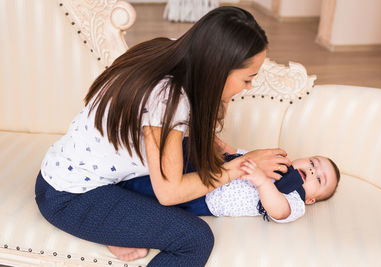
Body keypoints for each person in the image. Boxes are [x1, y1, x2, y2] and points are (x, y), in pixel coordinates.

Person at [34, 6, 292, 266]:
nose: (249, 88)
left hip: (75, 172)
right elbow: (169, 194)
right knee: (196, 239)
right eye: (247, 79)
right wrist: (237, 167)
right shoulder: (168, 100)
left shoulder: (170, 51)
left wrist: (225, 154)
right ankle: (112, 227)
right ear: (217, 69)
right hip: (69, 196)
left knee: (199, 157)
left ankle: (118, 230)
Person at [122, 138, 341, 225]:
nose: (312, 171)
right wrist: (226, 148)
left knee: (152, 193)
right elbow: (243, 155)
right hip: (210, 166)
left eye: (319, 179)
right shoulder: (279, 161)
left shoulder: (295, 201)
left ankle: (121, 188)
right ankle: (133, 158)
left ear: (311, 199)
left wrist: (262, 182)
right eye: (313, 162)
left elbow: (278, 210)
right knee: (179, 152)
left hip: (205, 198)